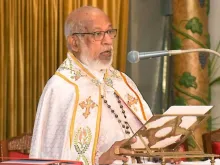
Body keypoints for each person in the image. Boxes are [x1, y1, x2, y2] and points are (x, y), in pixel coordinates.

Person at [30, 6, 153, 165]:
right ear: (74, 43)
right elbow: (55, 157)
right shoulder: (62, 89)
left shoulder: (122, 81)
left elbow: (149, 135)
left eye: (109, 32)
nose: (108, 41)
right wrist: (102, 159)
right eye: (97, 34)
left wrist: (162, 151)